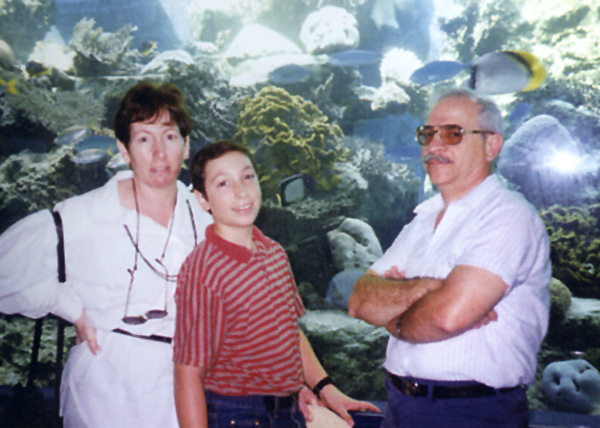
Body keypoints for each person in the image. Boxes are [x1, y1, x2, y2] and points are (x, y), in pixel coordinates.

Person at [0, 81, 213, 427]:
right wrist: (68, 306)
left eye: (170, 136)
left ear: (186, 145)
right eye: (143, 139)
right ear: (124, 150)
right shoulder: (84, 216)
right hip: (104, 393)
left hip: (186, 394)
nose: (159, 152)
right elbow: (5, 271)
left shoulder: (207, 222)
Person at [348, 88, 551, 427]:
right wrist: (429, 288)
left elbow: (446, 317)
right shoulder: (422, 221)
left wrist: (394, 320)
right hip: (399, 406)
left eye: (453, 133)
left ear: (492, 145)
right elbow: (359, 301)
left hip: (472, 412)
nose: (434, 145)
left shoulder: (509, 216)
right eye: (427, 133)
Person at [173, 140, 379, 428]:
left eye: (247, 177)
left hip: (288, 408)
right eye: (223, 183)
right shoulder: (204, 271)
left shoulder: (274, 253)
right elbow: (187, 374)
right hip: (236, 413)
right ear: (202, 199)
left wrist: (325, 389)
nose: (241, 191)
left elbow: (288, 330)